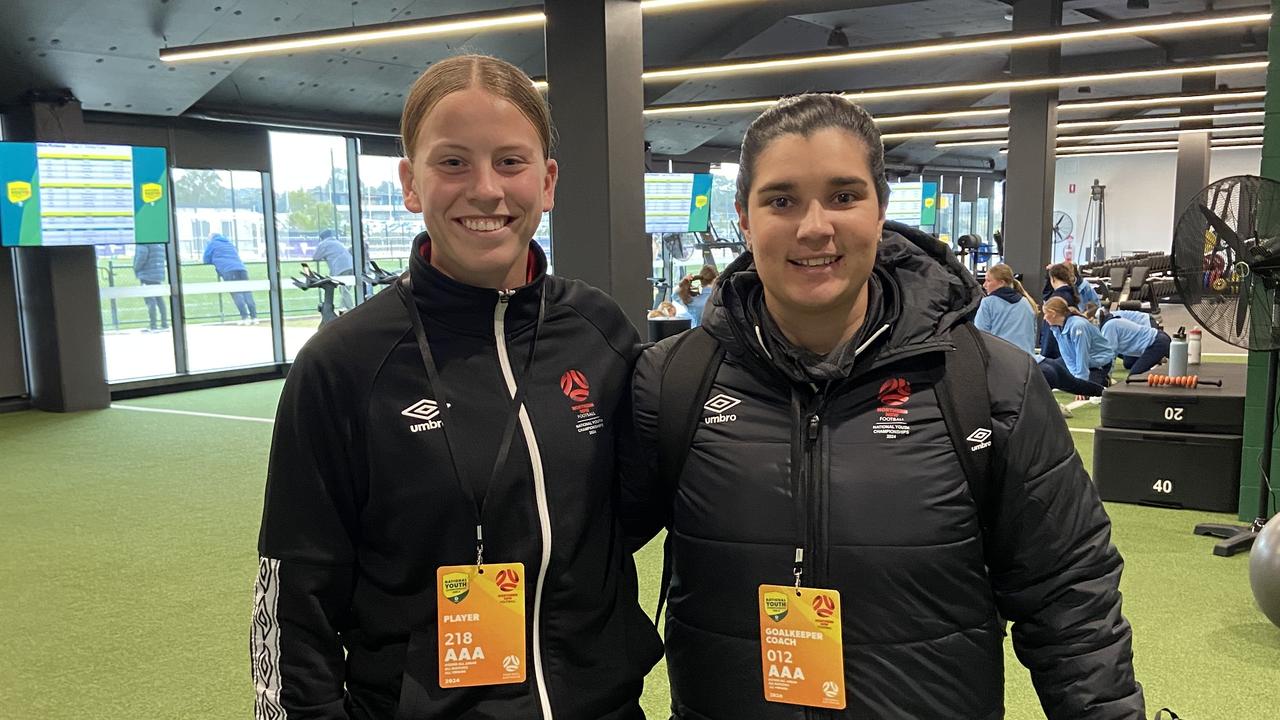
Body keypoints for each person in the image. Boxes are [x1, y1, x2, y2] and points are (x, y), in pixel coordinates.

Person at [625, 94, 1144, 719]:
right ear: (743, 216)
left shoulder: (985, 384)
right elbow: (572, 555)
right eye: (781, 200)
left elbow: (1069, 596)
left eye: (844, 196)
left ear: (880, 209)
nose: (815, 227)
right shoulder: (675, 381)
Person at [251, 54, 661, 720]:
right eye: (452, 163)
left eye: (510, 161)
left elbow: (626, 518)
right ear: (411, 183)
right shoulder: (346, 363)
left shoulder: (600, 332)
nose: (485, 190)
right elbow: (294, 595)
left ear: (548, 180)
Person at [1039, 295, 1117, 398]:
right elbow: (1066, 355)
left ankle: (1105, 379)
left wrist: (1080, 382)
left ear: (1053, 314)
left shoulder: (1078, 326)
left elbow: (1082, 354)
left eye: (1046, 314)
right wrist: (1073, 377)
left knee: (1093, 390)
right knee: (1050, 369)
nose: (1044, 317)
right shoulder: (1056, 328)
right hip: (1076, 361)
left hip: (1097, 364)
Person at [975, 263, 1037, 356]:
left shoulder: (987, 303)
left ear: (1001, 282)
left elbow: (980, 336)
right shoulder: (1026, 303)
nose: (984, 285)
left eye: (988, 281)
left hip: (1002, 360)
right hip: (1027, 361)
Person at [202, 232, 257, 324]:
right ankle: (254, 317)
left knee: (237, 294)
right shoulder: (229, 243)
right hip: (241, 268)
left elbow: (206, 258)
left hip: (228, 270)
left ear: (211, 238)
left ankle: (245, 318)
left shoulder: (212, 244)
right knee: (247, 293)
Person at [1101, 313, 1171, 375]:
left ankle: (1157, 360)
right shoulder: (1110, 323)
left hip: (1156, 343)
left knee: (1134, 376)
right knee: (1130, 364)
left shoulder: (1109, 327)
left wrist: (1104, 376)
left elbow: (1109, 356)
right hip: (1158, 339)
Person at [1039, 262, 1082, 358]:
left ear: (1053, 279)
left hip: (1057, 353)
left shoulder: (1056, 299)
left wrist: (1044, 355)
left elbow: (1049, 334)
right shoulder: (1071, 296)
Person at [313, 228, 355, 310]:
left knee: (344, 290)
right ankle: (343, 309)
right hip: (351, 265)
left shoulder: (323, 244)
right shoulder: (337, 242)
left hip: (341, 267)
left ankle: (351, 309)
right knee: (344, 290)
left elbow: (315, 257)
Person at [131, 243, 168, 332]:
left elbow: (141, 256)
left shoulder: (144, 242)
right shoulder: (159, 242)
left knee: (150, 300)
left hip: (147, 274)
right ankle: (164, 323)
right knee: (159, 298)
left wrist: (135, 268)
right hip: (157, 274)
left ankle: (153, 324)